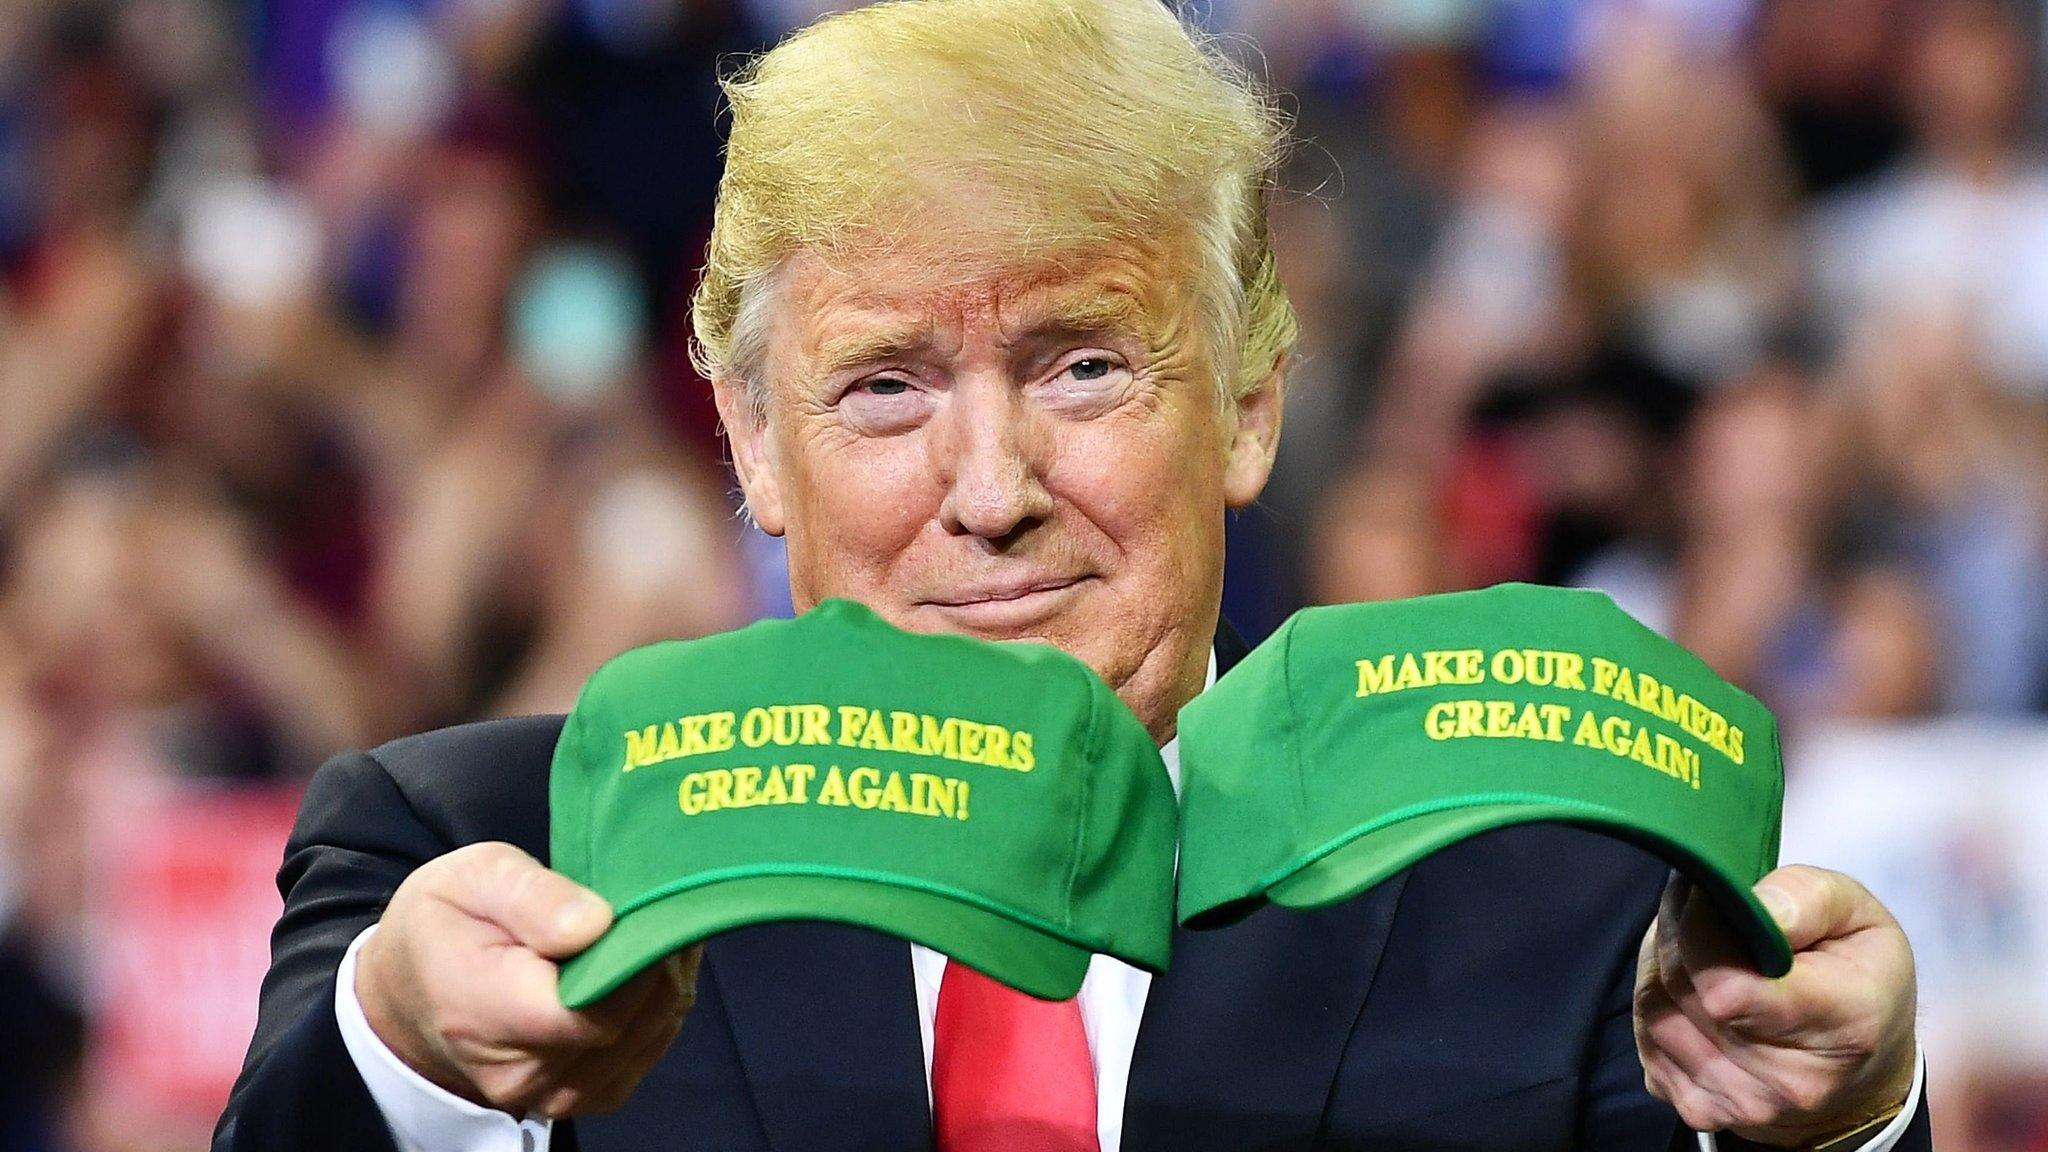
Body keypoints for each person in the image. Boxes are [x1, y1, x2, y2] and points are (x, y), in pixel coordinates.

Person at [215, 2, 1928, 1149]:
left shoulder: (1564, 911)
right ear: (748, 436)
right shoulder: (476, 865)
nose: (992, 492)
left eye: (1082, 368)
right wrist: (409, 1063)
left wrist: (1846, 1126)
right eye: (885, 386)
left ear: (1251, 403)